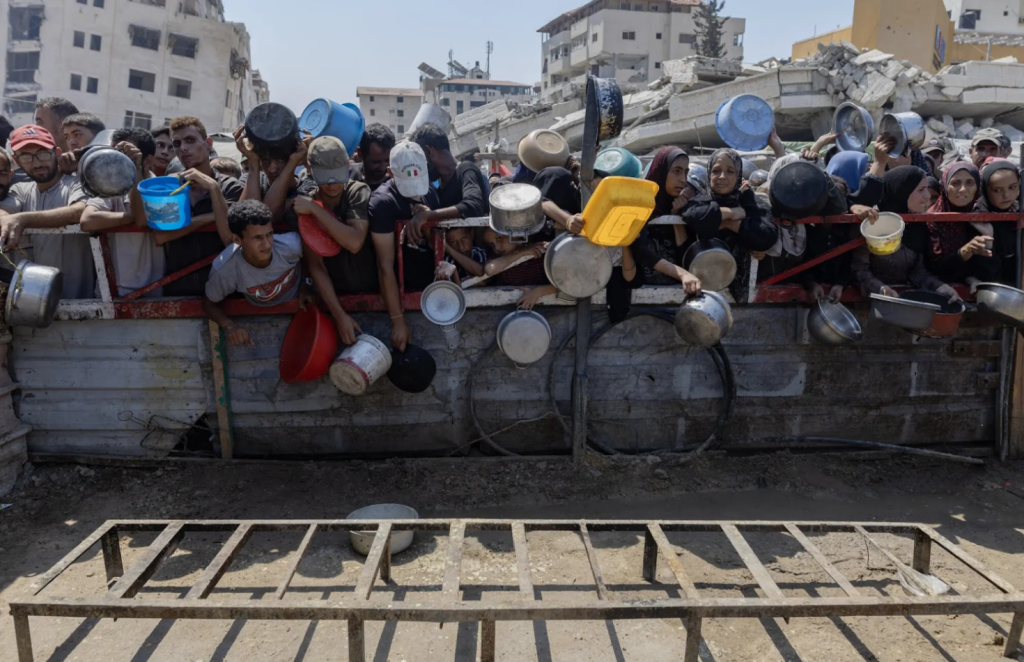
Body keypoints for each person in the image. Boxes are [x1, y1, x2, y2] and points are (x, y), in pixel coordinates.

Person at [154, 116, 243, 297]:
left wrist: (213, 187)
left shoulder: (231, 187)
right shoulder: (169, 187)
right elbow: (161, 236)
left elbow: (231, 239)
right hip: (177, 288)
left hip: (225, 290)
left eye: (190, 140)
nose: (183, 148)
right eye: (177, 144)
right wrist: (210, 217)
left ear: (208, 144)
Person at [0, 125, 93, 298]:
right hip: (29, 306)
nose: (37, 163)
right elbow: (3, 212)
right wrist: (7, 219)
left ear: (56, 153)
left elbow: (80, 210)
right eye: (26, 157)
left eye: (43, 153)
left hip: (78, 305)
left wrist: (22, 219)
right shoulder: (20, 190)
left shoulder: (78, 184)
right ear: (17, 161)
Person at [295, 136, 371, 345]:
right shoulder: (305, 204)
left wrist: (316, 209)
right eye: (325, 177)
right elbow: (316, 266)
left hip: (371, 290)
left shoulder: (357, 191)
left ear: (348, 166)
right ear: (310, 170)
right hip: (333, 298)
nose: (331, 184)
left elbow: (355, 242)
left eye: (337, 176)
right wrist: (339, 315)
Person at [203, 200, 305, 346]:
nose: (267, 244)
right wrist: (230, 326)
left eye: (269, 234)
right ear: (237, 240)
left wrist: (306, 284)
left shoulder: (291, 246)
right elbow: (209, 304)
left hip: (300, 310)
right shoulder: (225, 269)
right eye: (257, 238)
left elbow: (313, 261)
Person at [79, 127, 166, 298]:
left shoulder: (161, 188)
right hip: (110, 291)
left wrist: (136, 170)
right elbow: (87, 221)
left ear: (148, 160)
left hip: (152, 291)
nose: (117, 160)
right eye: (116, 152)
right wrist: (128, 217)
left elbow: (141, 219)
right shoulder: (109, 186)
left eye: (127, 154)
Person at [850, 166, 958, 301]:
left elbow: (917, 272)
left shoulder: (916, 225)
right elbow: (859, 271)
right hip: (865, 305)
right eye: (921, 190)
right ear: (902, 192)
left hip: (900, 304)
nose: (928, 196)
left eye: (927, 189)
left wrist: (940, 287)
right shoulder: (873, 222)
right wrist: (880, 289)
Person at [681, 148, 778, 298]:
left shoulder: (750, 202)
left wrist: (730, 224)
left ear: (739, 174)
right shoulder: (700, 200)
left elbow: (766, 236)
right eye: (716, 171)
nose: (722, 177)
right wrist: (732, 213)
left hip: (739, 289)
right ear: (709, 174)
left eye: (730, 171)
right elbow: (696, 217)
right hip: (700, 285)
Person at [370, 141, 439, 351]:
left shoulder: (430, 194)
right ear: (391, 173)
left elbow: (437, 244)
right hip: (400, 295)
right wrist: (398, 320)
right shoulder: (382, 203)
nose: (415, 190)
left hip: (430, 294)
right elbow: (385, 265)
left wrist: (428, 221)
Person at [627, 147, 702, 292]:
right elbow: (640, 250)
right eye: (676, 171)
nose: (683, 180)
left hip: (678, 291)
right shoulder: (641, 203)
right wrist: (683, 274)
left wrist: (676, 217)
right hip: (641, 293)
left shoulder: (684, 205)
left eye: (686, 173)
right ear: (661, 171)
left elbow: (685, 255)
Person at [408, 124, 489, 243]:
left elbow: (473, 205)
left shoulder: (465, 169)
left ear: (428, 151)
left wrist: (428, 215)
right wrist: (426, 210)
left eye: (420, 159)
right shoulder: (440, 185)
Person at [924, 161, 998, 291]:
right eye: (955, 183)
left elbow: (993, 272)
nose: (963, 189)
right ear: (945, 186)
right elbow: (936, 269)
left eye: (969, 182)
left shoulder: (984, 214)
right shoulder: (932, 218)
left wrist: (988, 237)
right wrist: (966, 251)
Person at [234, 125, 316, 221]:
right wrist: (253, 162)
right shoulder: (250, 179)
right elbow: (246, 216)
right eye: (265, 160)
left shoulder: (308, 187)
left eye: (281, 160)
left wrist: (293, 162)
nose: (272, 169)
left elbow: (269, 215)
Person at [480, 227, 555, 308]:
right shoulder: (498, 257)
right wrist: (520, 253)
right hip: (510, 308)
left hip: (547, 307)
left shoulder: (539, 251)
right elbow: (490, 269)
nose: (497, 247)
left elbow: (564, 283)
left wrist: (537, 292)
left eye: (499, 238)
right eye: (492, 244)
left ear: (514, 233)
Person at [974, 158, 1021, 284]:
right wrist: (988, 237)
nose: (1006, 195)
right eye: (997, 190)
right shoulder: (978, 216)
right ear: (985, 189)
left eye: (1012, 187)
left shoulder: (1017, 209)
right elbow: (984, 271)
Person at [351, 123, 396, 193]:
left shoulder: (398, 185)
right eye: (376, 162)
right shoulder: (346, 178)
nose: (383, 168)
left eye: (387, 160)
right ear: (360, 153)